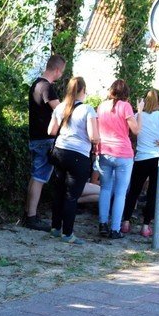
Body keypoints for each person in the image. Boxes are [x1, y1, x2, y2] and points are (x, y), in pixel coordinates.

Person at [47, 76, 99, 244]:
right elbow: (93, 136)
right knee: (71, 196)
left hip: (59, 152)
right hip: (78, 156)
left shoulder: (60, 107)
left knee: (59, 192)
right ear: (83, 91)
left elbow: (51, 131)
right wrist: (97, 140)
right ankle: (68, 234)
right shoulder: (88, 109)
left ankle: (55, 228)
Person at [122, 89, 159, 238]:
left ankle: (126, 222)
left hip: (141, 158)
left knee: (134, 191)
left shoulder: (138, 116)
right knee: (153, 193)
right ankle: (146, 226)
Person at [24, 55, 67, 231]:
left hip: (36, 137)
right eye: (62, 71)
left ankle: (29, 213)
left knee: (37, 176)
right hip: (44, 139)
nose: (61, 75)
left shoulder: (36, 84)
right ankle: (31, 217)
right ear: (57, 70)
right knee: (39, 177)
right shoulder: (47, 88)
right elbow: (61, 110)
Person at [96, 80, 140, 239]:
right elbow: (136, 130)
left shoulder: (101, 106)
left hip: (104, 151)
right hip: (123, 153)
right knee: (120, 193)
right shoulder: (125, 106)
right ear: (126, 93)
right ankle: (115, 229)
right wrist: (139, 113)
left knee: (105, 189)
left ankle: (102, 224)